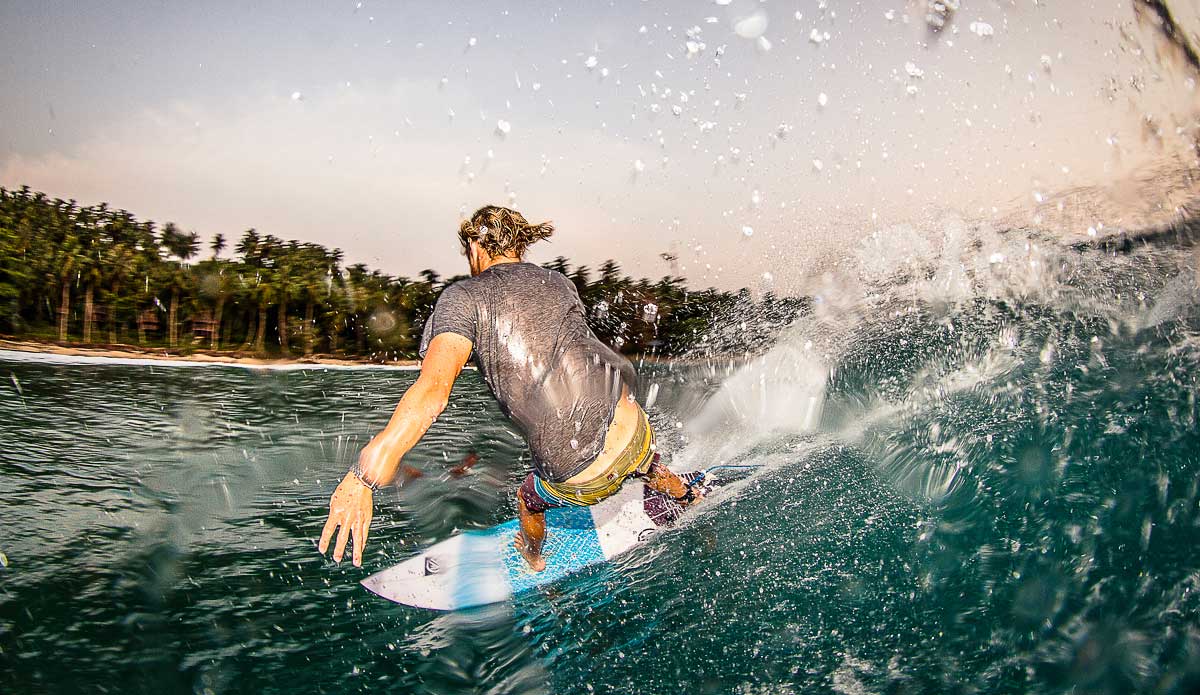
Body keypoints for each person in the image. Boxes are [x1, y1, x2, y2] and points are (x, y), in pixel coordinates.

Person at [318, 205, 699, 570]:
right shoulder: (561, 282)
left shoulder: (462, 298)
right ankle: (684, 493)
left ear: (474, 246)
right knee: (642, 458)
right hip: (635, 430)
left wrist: (365, 474)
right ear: (520, 244)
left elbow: (432, 392)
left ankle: (533, 558)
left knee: (528, 498)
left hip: (582, 476)